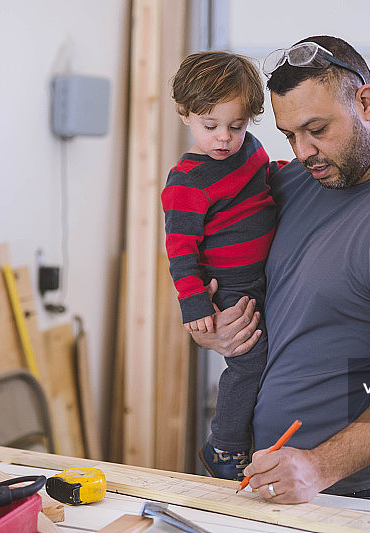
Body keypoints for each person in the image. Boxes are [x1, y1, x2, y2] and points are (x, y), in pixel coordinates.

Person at [189, 36, 370, 531]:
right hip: (272, 482)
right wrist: (210, 326)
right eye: (289, 135)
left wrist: (318, 466)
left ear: (366, 101)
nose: (303, 152)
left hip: (360, 493)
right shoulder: (303, 179)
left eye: (316, 129)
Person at [162, 51, 285, 480]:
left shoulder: (250, 150)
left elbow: (267, 177)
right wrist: (195, 305)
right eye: (209, 126)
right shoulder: (187, 183)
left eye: (236, 126)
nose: (224, 138)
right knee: (249, 363)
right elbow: (180, 250)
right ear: (184, 114)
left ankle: (251, 441)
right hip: (230, 287)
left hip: (264, 276)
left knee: (271, 357)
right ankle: (225, 446)